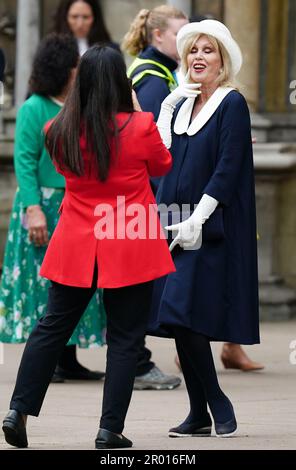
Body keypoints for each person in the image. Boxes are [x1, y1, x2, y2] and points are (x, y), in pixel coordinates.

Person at [2, 45, 175, 449]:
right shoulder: (140, 125)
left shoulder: (57, 130)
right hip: (129, 240)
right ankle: (109, 429)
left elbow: (64, 169)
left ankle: (18, 409)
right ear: (120, 81)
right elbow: (163, 165)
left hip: (77, 239)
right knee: (125, 337)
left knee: (51, 327)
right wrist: (135, 109)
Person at [149, 20, 260, 437]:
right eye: (193, 50)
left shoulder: (232, 103)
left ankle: (215, 400)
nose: (198, 56)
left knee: (184, 314)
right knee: (177, 317)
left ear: (223, 59)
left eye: (208, 50)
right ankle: (199, 413)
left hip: (210, 228)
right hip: (174, 223)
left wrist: (199, 217)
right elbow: (159, 157)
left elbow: (228, 168)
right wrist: (164, 107)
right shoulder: (179, 105)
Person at [0, 34, 105, 382]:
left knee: (77, 282)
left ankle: (69, 358)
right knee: (44, 284)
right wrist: (34, 209)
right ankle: (51, 359)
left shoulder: (81, 105)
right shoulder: (34, 108)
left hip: (75, 203)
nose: (78, 71)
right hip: (42, 204)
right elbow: (24, 162)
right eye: (74, 66)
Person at [122, 5, 189, 390]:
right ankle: (137, 363)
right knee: (141, 285)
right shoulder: (152, 80)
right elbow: (151, 144)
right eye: (179, 35)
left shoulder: (154, 71)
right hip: (146, 196)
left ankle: (136, 360)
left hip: (141, 196)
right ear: (157, 36)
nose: (186, 43)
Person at [53, 0, 119, 56]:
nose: (80, 24)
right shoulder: (54, 49)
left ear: (95, 18)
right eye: (74, 17)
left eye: (86, 17)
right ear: (65, 17)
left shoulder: (110, 50)